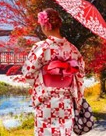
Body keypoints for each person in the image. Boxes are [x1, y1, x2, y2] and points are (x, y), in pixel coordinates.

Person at [22, 8, 85, 136]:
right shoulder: (73, 49)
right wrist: (77, 101)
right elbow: (80, 75)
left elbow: (28, 74)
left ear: (45, 25)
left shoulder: (41, 47)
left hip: (46, 101)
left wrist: (40, 78)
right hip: (66, 102)